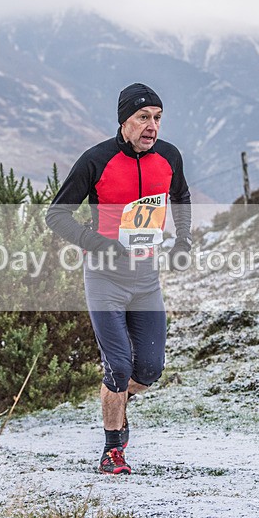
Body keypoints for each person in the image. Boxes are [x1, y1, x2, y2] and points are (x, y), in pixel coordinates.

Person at [46, 83, 192, 474]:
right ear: (124, 121)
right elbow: (56, 215)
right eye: (143, 117)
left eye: (157, 118)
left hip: (146, 278)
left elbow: (180, 196)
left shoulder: (169, 157)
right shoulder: (96, 160)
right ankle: (112, 450)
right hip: (104, 278)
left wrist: (183, 238)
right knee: (118, 366)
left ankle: (117, 402)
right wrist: (97, 243)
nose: (152, 126)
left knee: (150, 370)